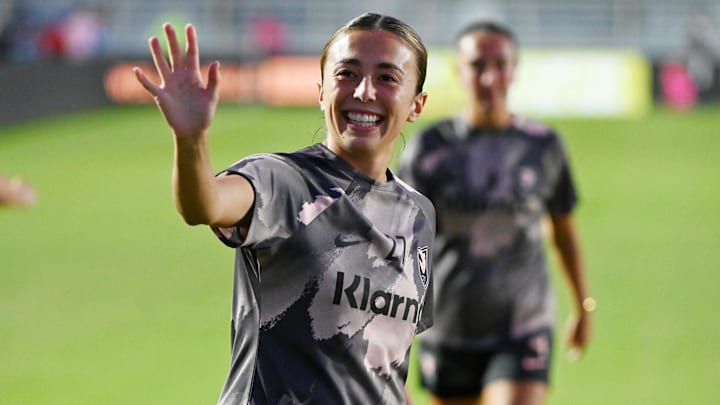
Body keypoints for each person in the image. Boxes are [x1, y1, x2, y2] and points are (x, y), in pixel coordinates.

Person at [132, 13, 435, 405]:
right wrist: (191, 140)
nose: (363, 91)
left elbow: (384, 367)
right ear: (322, 91)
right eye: (346, 74)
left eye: (387, 78)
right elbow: (204, 203)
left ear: (416, 104)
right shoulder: (285, 182)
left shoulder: (418, 216)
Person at [397, 20, 592, 405]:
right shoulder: (430, 151)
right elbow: (402, 243)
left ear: (515, 69)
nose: (489, 77)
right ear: (458, 70)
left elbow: (563, 228)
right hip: (450, 327)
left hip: (523, 324)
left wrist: (583, 303)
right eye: (477, 65)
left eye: (500, 64)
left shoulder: (543, 147)